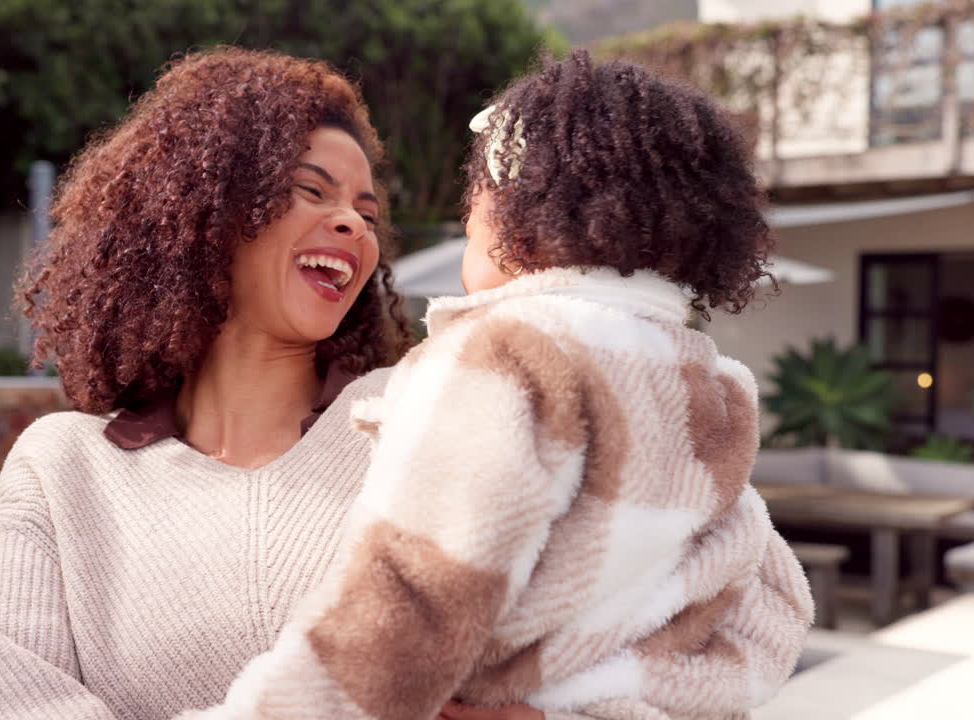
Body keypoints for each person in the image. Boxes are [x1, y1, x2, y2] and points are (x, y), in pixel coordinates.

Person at [176, 50, 814, 720]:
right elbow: (775, 612)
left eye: (472, 200)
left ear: (513, 202)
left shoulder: (505, 358)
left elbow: (412, 596)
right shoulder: (710, 390)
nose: (465, 225)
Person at [0, 47, 429, 718]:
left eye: (366, 215)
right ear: (207, 213)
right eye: (311, 191)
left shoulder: (421, 424)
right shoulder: (63, 471)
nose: (352, 224)